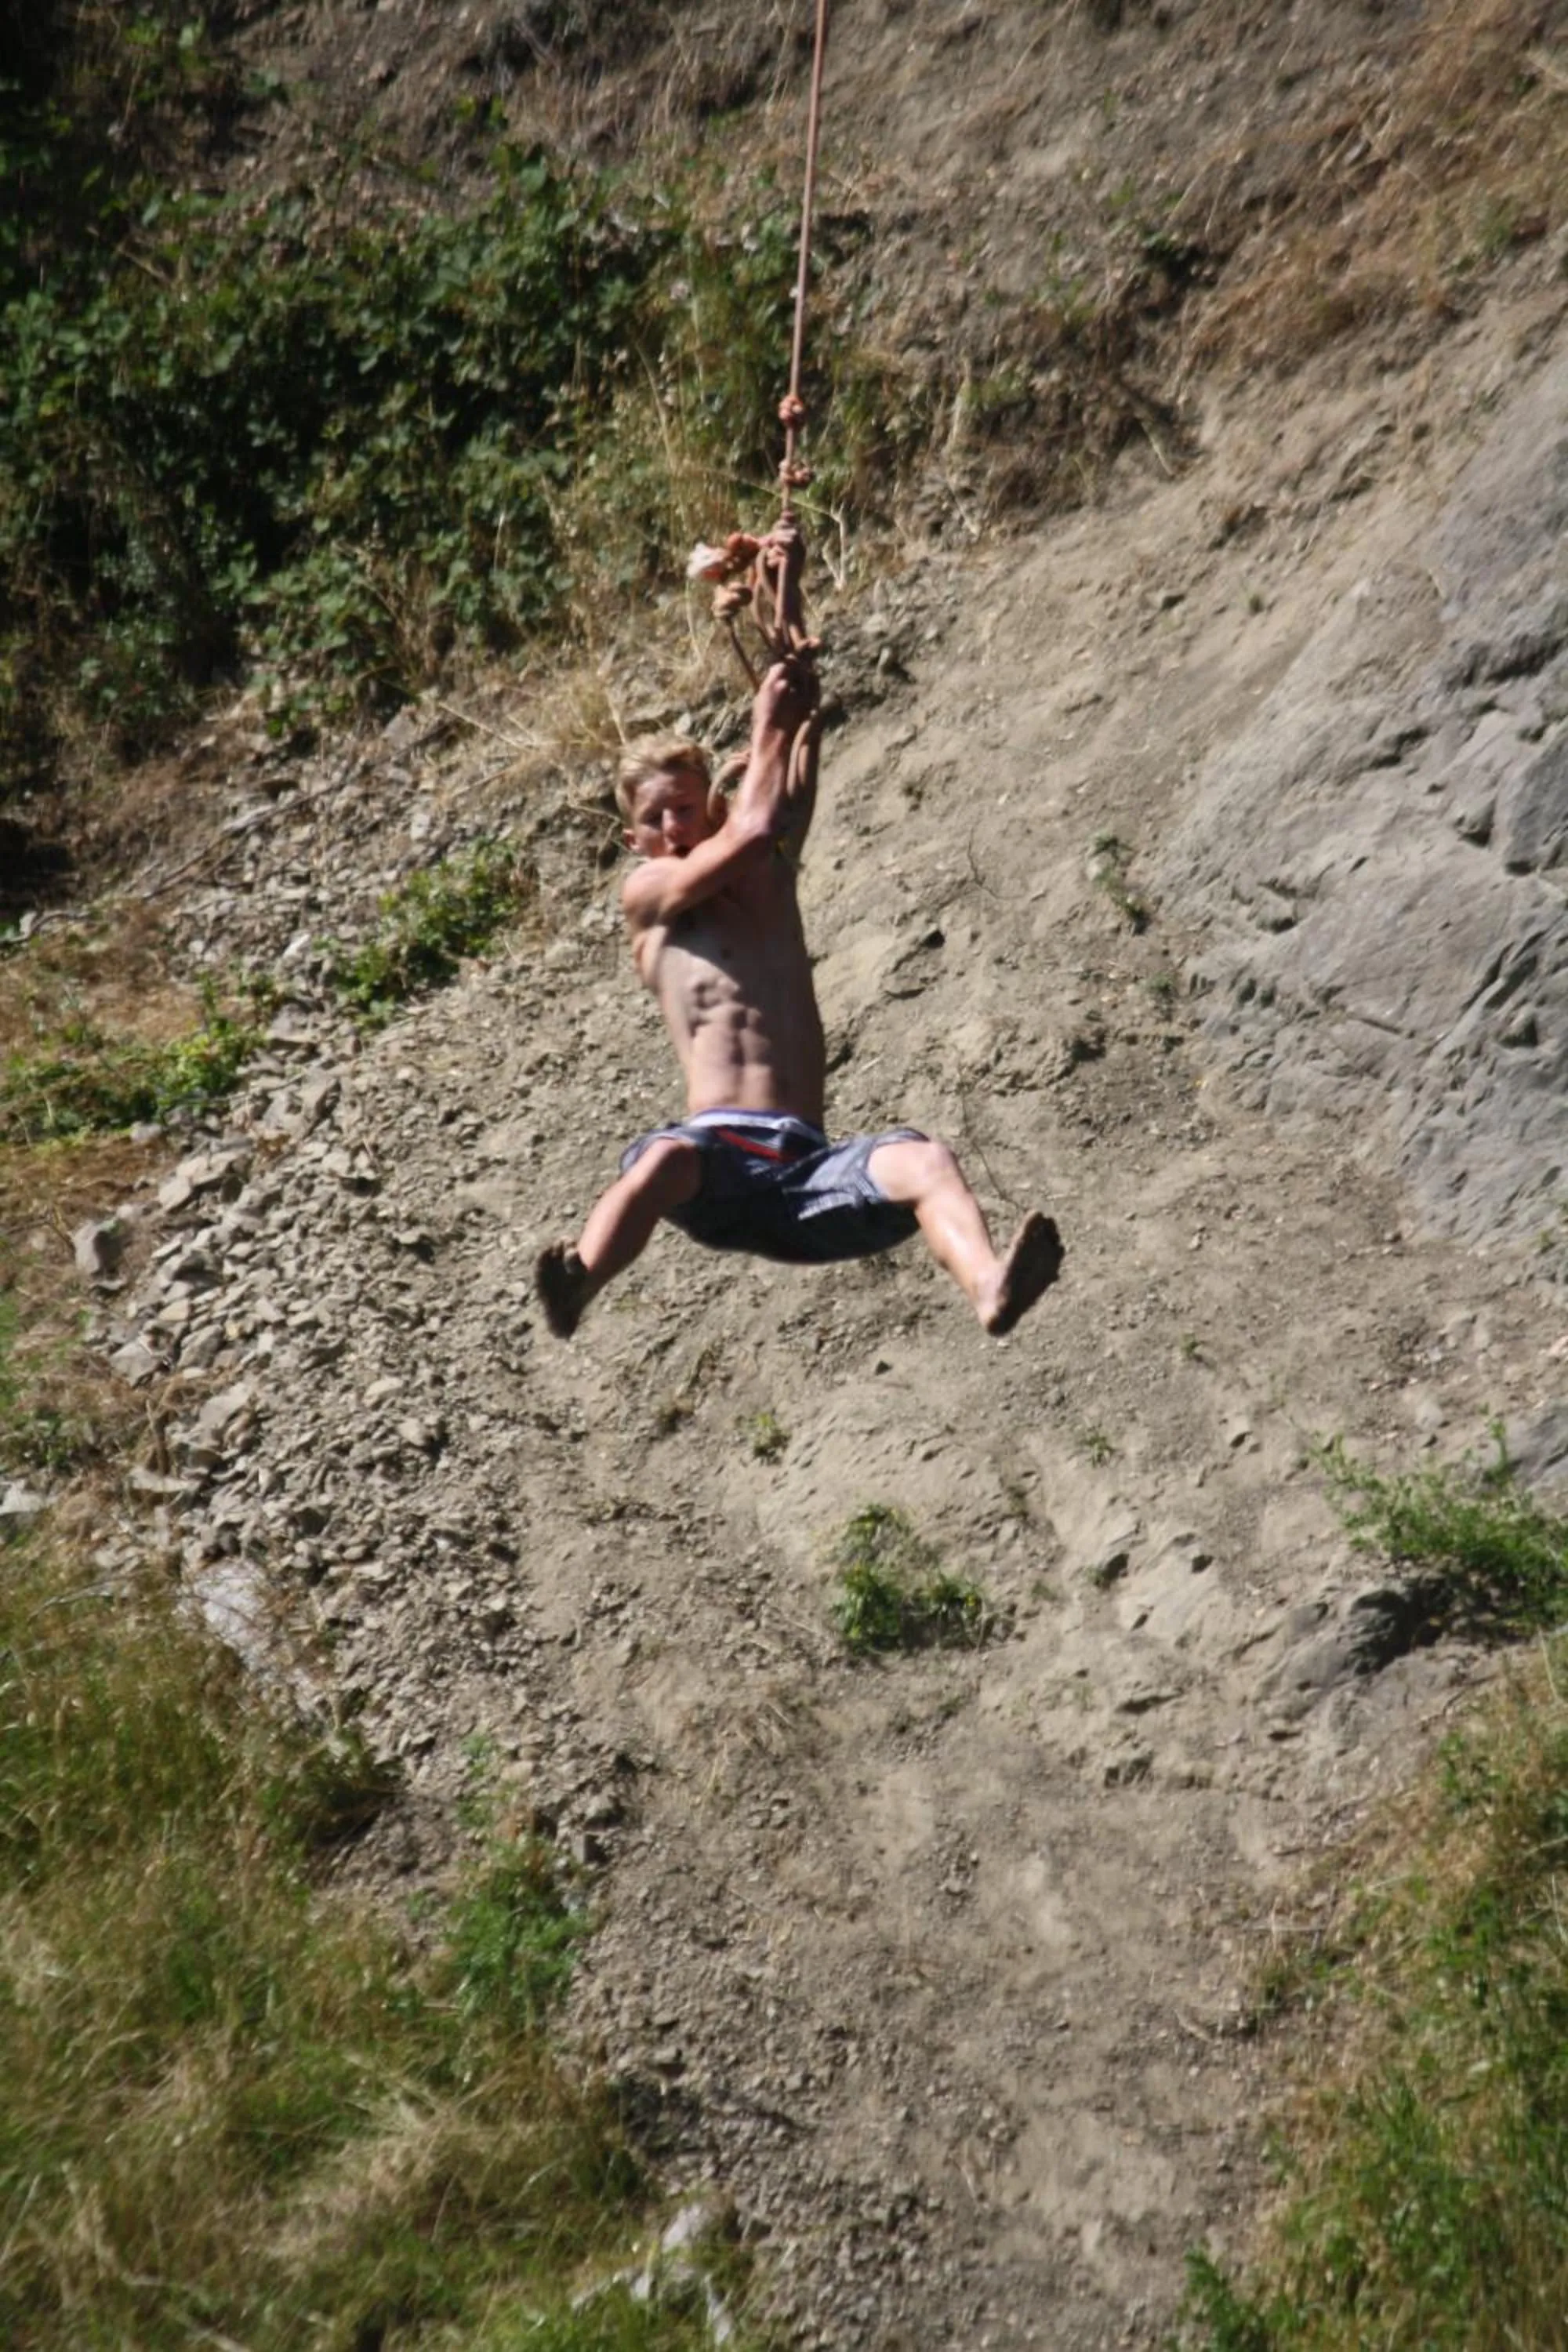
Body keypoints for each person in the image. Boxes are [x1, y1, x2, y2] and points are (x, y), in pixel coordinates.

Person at [535, 517, 1062, 1341]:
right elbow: (751, 821)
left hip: (807, 1171)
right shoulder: (649, 897)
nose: (673, 824)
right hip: (715, 1163)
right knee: (661, 1159)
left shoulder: (768, 876)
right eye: (653, 816)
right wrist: (764, 721)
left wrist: (786, 586)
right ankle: (580, 1278)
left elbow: (791, 752)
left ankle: (991, 1285)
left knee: (923, 1160)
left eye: (685, 805)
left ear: (709, 803)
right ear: (633, 838)